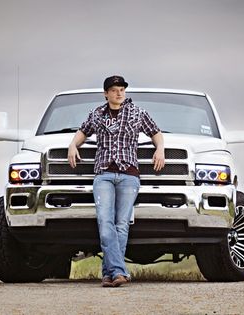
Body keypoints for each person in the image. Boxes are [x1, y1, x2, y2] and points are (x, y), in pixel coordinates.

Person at [68, 75, 165, 287]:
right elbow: (82, 132)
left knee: (122, 224)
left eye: (121, 89)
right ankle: (120, 272)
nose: (119, 93)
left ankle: (109, 274)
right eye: (114, 90)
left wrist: (160, 149)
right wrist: (72, 145)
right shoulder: (96, 114)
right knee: (105, 223)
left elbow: (155, 132)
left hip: (129, 175)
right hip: (103, 174)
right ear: (106, 93)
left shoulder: (138, 113)